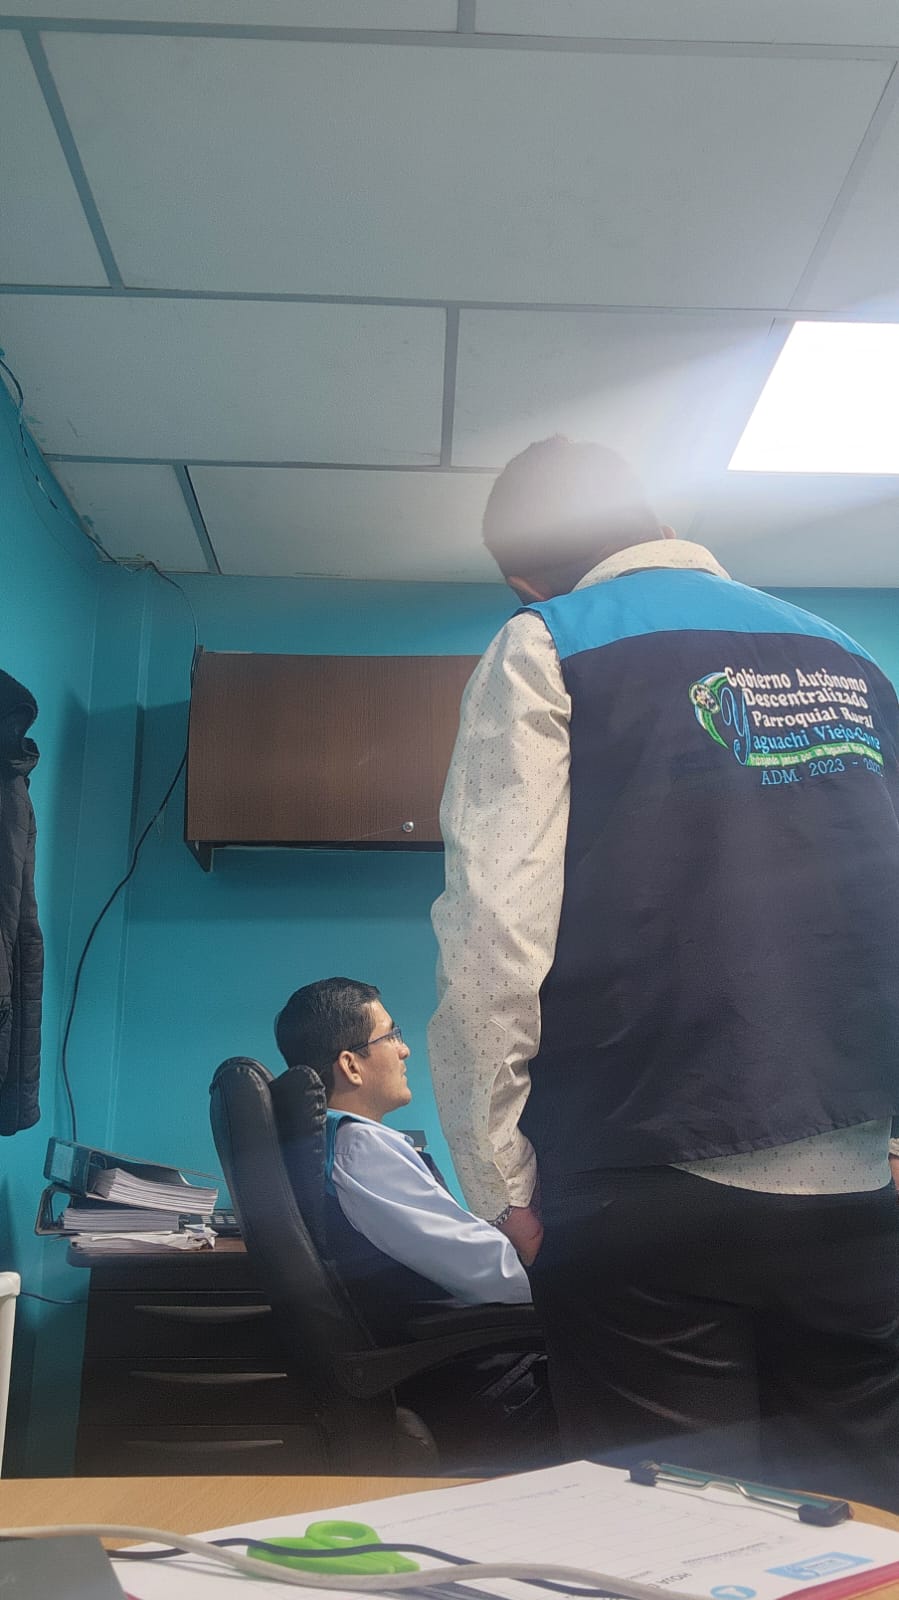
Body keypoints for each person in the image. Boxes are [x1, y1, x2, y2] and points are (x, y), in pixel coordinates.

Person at [428, 436, 899, 1507]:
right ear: (658, 522)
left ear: (523, 577)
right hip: (854, 1188)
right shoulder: (850, 660)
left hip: (641, 1174)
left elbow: (495, 927)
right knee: (862, 1533)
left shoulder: (545, 642)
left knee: (677, 1541)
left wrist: (496, 1180)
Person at [275, 977, 556, 1473]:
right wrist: (567, 1283)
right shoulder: (361, 1149)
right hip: (474, 1381)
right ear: (351, 1065)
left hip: (447, 1367)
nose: (404, 1050)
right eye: (392, 1035)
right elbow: (484, 1271)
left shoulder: (343, 1144)